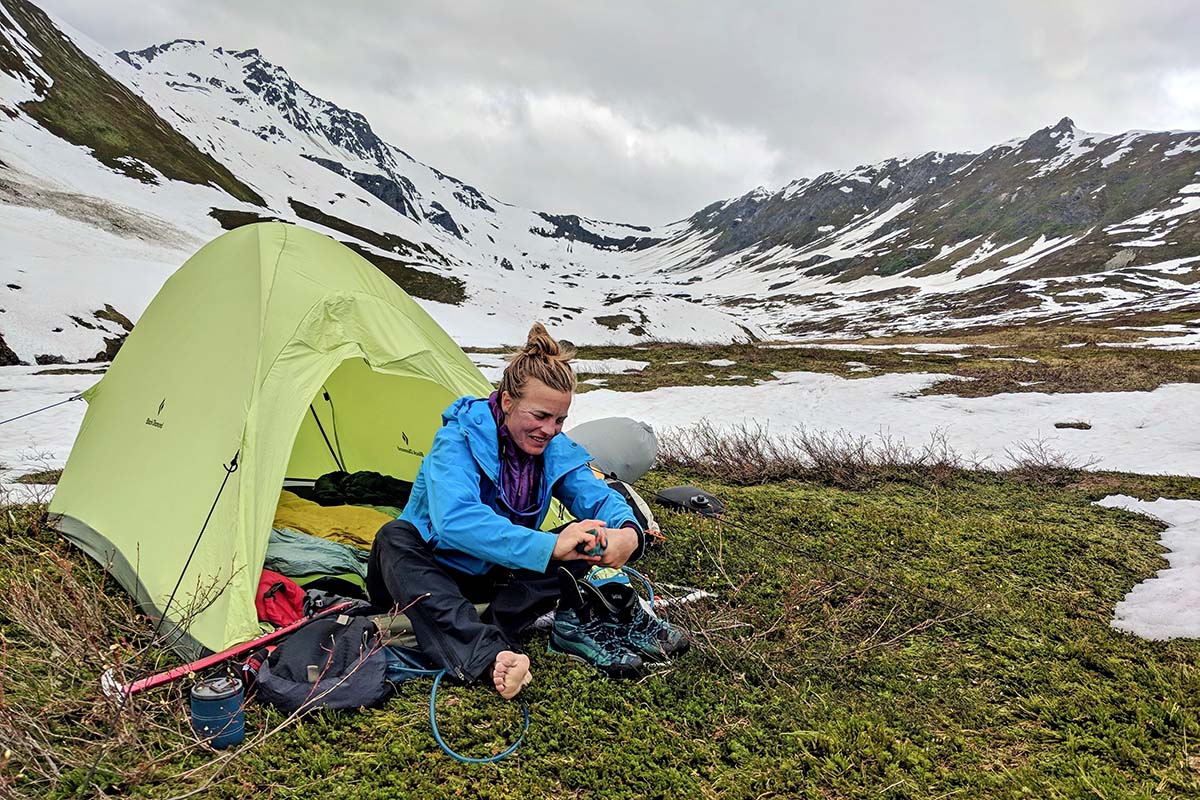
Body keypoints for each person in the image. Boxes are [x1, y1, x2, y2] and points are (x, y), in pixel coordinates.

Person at [366, 323, 650, 699]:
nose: (550, 430)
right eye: (540, 416)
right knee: (393, 538)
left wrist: (627, 533)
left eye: (559, 419)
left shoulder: (551, 446)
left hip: (490, 574)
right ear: (506, 402)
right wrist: (547, 548)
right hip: (430, 571)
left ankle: (482, 626)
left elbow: (595, 495)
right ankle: (491, 654)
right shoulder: (458, 439)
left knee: (582, 539)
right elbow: (455, 521)